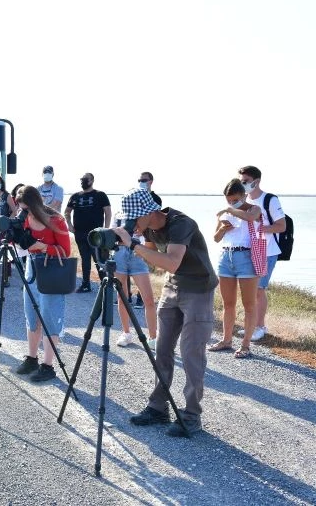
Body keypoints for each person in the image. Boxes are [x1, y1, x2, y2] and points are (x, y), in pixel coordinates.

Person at [112, 188, 218, 437]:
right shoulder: (146, 227)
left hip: (198, 290)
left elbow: (170, 261)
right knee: (161, 349)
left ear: (150, 212)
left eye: (135, 218)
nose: (132, 223)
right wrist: (130, 241)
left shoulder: (182, 224)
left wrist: (134, 245)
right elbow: (154, 257)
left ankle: (191, 416)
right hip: (173, 287)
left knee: (191, 353)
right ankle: (158, 407)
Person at [12, 185, 72, 382]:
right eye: (21, 208)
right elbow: (22, 243)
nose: (23, 212)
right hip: (32, 266)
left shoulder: (56, 220)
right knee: (31, 313)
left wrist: (44, 247)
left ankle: (48, 366)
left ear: (35, 204)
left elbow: (66, 251)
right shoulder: (25, 219)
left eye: (26, 208)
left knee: (50, 316)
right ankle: (32, 358)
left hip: (51, 269)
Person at [208, 179, 262, 358]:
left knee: (249, 304)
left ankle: (245, 345)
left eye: (235, 200)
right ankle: (226, 340)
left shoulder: (254, 209)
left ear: (244, 195)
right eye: (228, 200)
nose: (231, 203)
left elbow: (250, 217)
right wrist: (223, 228)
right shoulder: (225, 214)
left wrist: (230, 210)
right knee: (228, 303)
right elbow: (216, 238)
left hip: (246, 257)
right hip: (226, 257)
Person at [238, 165, 286, 341]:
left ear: (256, 181)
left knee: (259, 289)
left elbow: (282, 226)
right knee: (249, 290)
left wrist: (259, 227)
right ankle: (251, 325)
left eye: (245, 181)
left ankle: (260, 327)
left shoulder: (270, 200)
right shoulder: (243, 199)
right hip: (248, 250)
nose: (242, 184)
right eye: (240, 181)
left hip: (268, 250)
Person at [111, 211, 158, 349]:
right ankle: (126, 333)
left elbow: (152, 234)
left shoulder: (144, 213)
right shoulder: (118, 213)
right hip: (119, 252)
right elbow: (111, 230)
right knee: (122, 297)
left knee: (148, 298)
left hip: (139, 252)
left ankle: (153, 337)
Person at [64, 172, 111, 293]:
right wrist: (69, 225)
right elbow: (67, 211)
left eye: (86, 179)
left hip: (96, 234)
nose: (83, 181)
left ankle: (105, 284)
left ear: (92, 181)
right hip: (80, 233)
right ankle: (85, 284)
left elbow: (108, 212)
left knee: (99, 259)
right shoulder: (75, 196)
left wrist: (106, 229)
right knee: (85, 259)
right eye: (81, 179)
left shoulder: (100, 195)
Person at [133, 172, 162, 307]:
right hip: (136, 235)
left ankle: (141, 297)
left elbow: (156, 218)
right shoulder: (135, 196)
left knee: (144, 268)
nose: (141, 182)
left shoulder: (156, 198)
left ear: (151, 181)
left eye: (144, 180)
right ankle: (126, 296)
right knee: (133, 265)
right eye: (139, 179)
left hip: (149, 237)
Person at [0, 174, 17, 287]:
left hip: (3, 229)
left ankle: (6, 278)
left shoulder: (6, 195)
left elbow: (14, 211)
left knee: (5, 253)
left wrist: (7, 222)